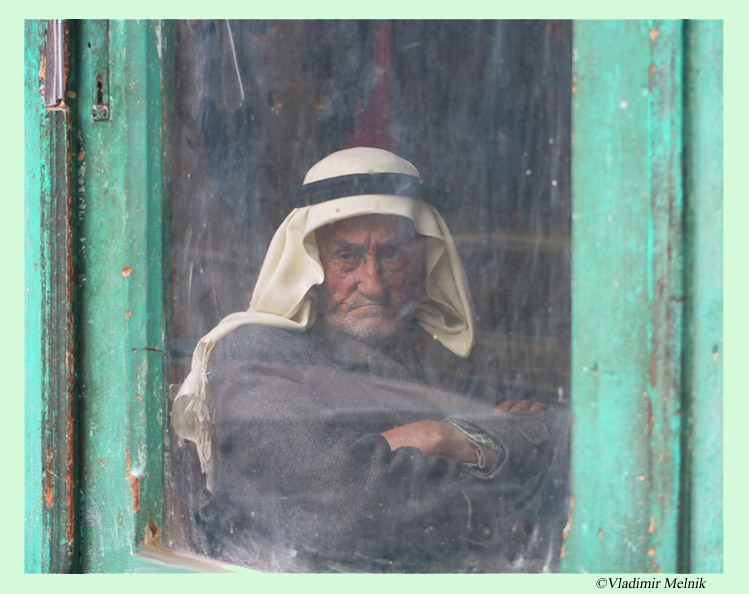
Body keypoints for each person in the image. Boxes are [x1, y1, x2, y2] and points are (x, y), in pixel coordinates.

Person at [172, 147, 569, 573]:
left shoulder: (441, 353)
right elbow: (343, 510)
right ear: (311, 263)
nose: (373, 284)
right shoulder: (255, 356)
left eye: (392, 254)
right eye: (348, 256)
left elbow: (562, 436)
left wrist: (446, 438)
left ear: (421, 259)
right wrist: (497, 481)